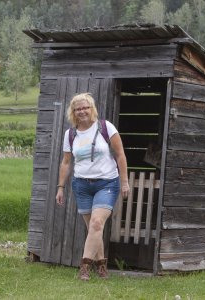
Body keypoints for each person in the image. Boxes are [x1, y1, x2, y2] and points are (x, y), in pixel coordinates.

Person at [55, 93, 129, 281]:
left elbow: (120, 155)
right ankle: (102, 266)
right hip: (82, 185)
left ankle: (85, 267)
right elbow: (65, 162)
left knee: (96, 224)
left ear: (92, 109)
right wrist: (60, 187)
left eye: (85, 107)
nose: (82, 111)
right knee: (94, 229)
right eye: (78, 109)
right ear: (73, 112)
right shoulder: (70, 134)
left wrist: (124, 181)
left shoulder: (106, 127)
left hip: (107, 183)